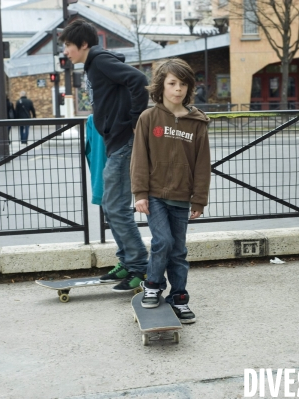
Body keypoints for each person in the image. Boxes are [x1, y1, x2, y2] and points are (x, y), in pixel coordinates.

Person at [60, 18, 149, 291]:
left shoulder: (98, 60)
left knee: (117, 208)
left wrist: (135, 119)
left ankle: (139, 267)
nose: (65, 51)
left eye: (68, 45)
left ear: (83, 44)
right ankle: (126, 261)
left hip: (123, 140)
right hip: (114, 140)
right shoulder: (94, 64)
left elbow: (138, 79)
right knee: (111, 207)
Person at [131, 58, 211, 322]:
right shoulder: (148, 118)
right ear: (161, 86)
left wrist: (199, 199)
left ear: (189, 88)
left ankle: (179, 297)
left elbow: (202, 164)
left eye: (183, 84)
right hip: (154, 196)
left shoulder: (197, 123)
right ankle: (153, 284)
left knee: (178, 251)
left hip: (181, 198)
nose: (178, 89)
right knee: (162, 241)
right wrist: (140, 193)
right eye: (172, 83)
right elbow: (139, 158)